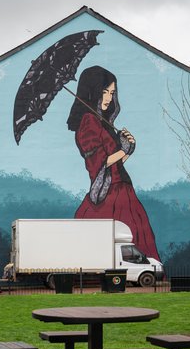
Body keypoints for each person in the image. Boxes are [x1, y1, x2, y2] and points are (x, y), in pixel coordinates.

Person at [66, 65, 160, 262]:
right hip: (109, 195)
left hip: (122, 189)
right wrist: (123, 150)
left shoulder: (102, 121)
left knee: (135, 242)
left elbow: (115, 165)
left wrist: (128, 150)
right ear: (91, 91)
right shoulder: (88, 121)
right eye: (104, 92)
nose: (109, 97)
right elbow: (99, 163)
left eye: (112, 92)